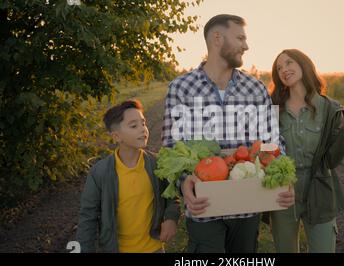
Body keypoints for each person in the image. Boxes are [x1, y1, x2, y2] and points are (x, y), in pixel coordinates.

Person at [161, 14, 295, 253]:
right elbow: (172, 146)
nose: (246, 45)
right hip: (204, 207)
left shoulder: (256, 88)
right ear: (217, 38)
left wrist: (281, 174)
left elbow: (272, 141)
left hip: (247, 204)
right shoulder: (181, 88)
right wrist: (185, 181)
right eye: (240, 37)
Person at [269, 49, 344, 253]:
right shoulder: (273, 108)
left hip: (320, 189)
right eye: (279, 67)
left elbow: (331, 161)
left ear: (303, 65)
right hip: (283, 192)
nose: (284, 69)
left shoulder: (330, 108)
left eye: (289, 63)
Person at [76, 99, 179, 253]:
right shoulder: (100, 173)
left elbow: (172, 196)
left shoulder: (157, 164)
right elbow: (88, 217)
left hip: (154, 248)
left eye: (143, 123)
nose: (143, 129)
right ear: (117, 136)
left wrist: (171, 218)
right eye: (134, 126)